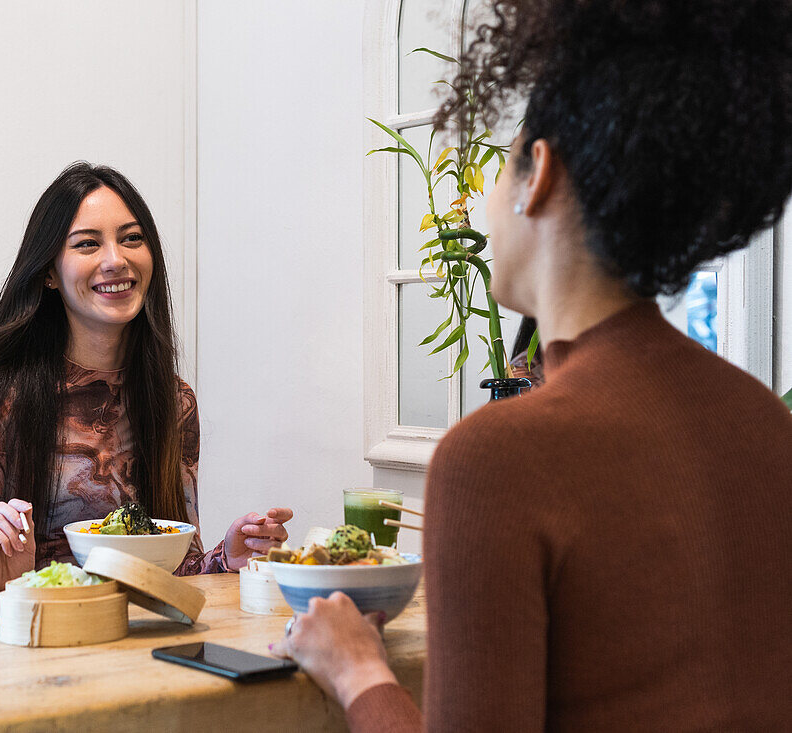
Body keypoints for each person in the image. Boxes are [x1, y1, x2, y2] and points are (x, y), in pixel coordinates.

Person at [273, 0, 792, 729]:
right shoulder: (764, 421)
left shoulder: (499, 459)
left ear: (537, 173)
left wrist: (358, 669)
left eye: (500, 166)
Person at [0, 163, 292, 594]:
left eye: (132, 239)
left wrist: (227, 557)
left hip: (127, 634)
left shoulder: (172, 399)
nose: (116, 260)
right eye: (87, 244)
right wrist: (2, 581)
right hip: (24, 632)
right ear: (49, 272)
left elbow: (170, 566)